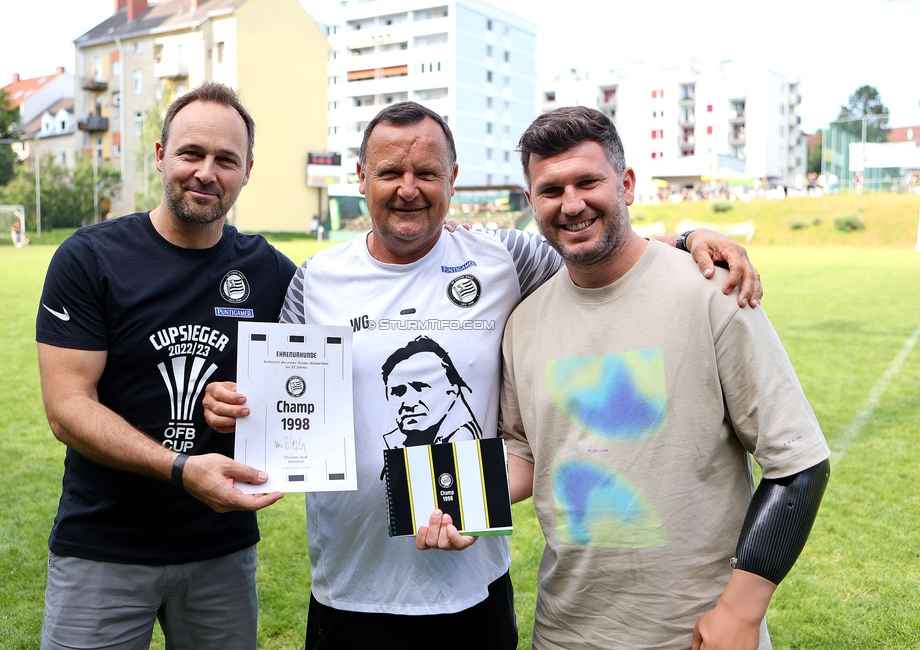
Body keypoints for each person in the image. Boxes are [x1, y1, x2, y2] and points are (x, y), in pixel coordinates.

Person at [204, 101, 763, 649]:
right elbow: (285, 410)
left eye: (426, 172)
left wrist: (688, 241)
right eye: (390, 172)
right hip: (352, 585)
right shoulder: (316, 278)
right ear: (360, 177)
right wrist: (237, 412)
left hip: (474, 587)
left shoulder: (504, 258)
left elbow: (598, 248)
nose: (408, 188)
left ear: (452, 177)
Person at [421, 106, 829, 650]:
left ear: (627, 183)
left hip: (695, 634)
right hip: (563, 631)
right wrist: (452, 503)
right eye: (551, 189)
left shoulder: (713, 293)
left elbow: (798, 464)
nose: (571, 203)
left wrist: (740, 612)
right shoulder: (523, 322)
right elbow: (524, 454)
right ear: (531, 204)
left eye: (588, 182)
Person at [35, 82, 296, 649]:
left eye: (226, 160)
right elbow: (67, 409)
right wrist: (181, 468)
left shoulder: (271, 270)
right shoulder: (89, 259)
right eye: (191, 154)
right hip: (104, 546)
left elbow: (318, 373)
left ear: (247, 170)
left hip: (221, 550)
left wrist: (436, 237)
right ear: (160, 156)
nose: (207, 173)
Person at [381, 335, 483, 450]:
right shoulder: (393, 442)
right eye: (398, 392)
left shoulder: (468, 443)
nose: (408, 404)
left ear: (452, 390)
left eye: (420, 387)